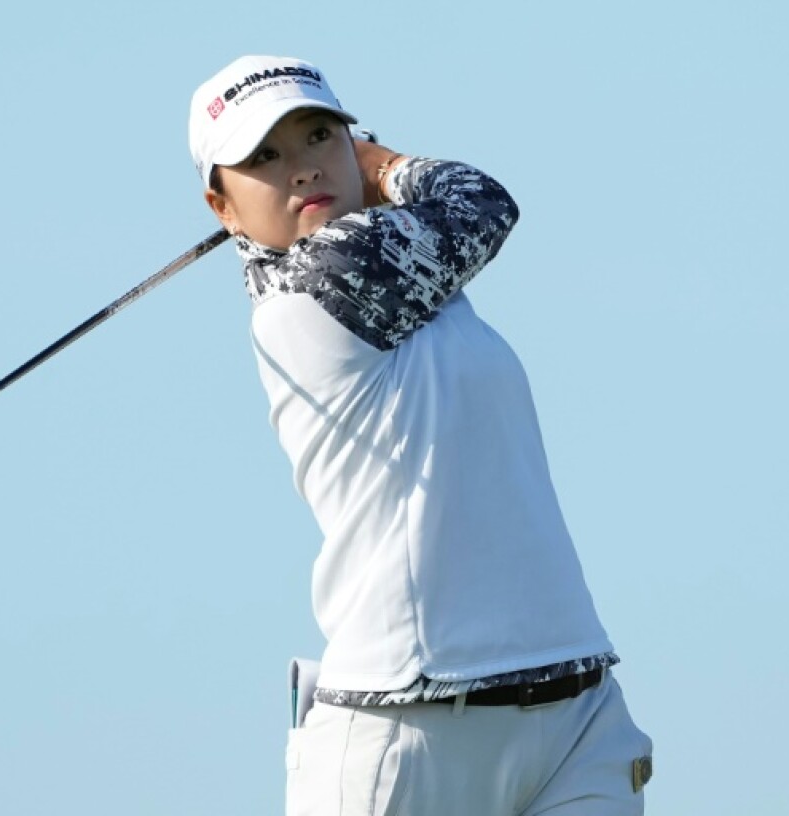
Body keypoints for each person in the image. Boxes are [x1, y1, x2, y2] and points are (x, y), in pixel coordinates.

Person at [188, 55, 653, 816]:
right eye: (264, 158)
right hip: (404, 731)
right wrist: (384, 162)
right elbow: (480, 202)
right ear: (224, 207)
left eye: (317, 137)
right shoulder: (308, 296)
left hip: (576, 717)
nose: (302, 169)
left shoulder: (418, 283)